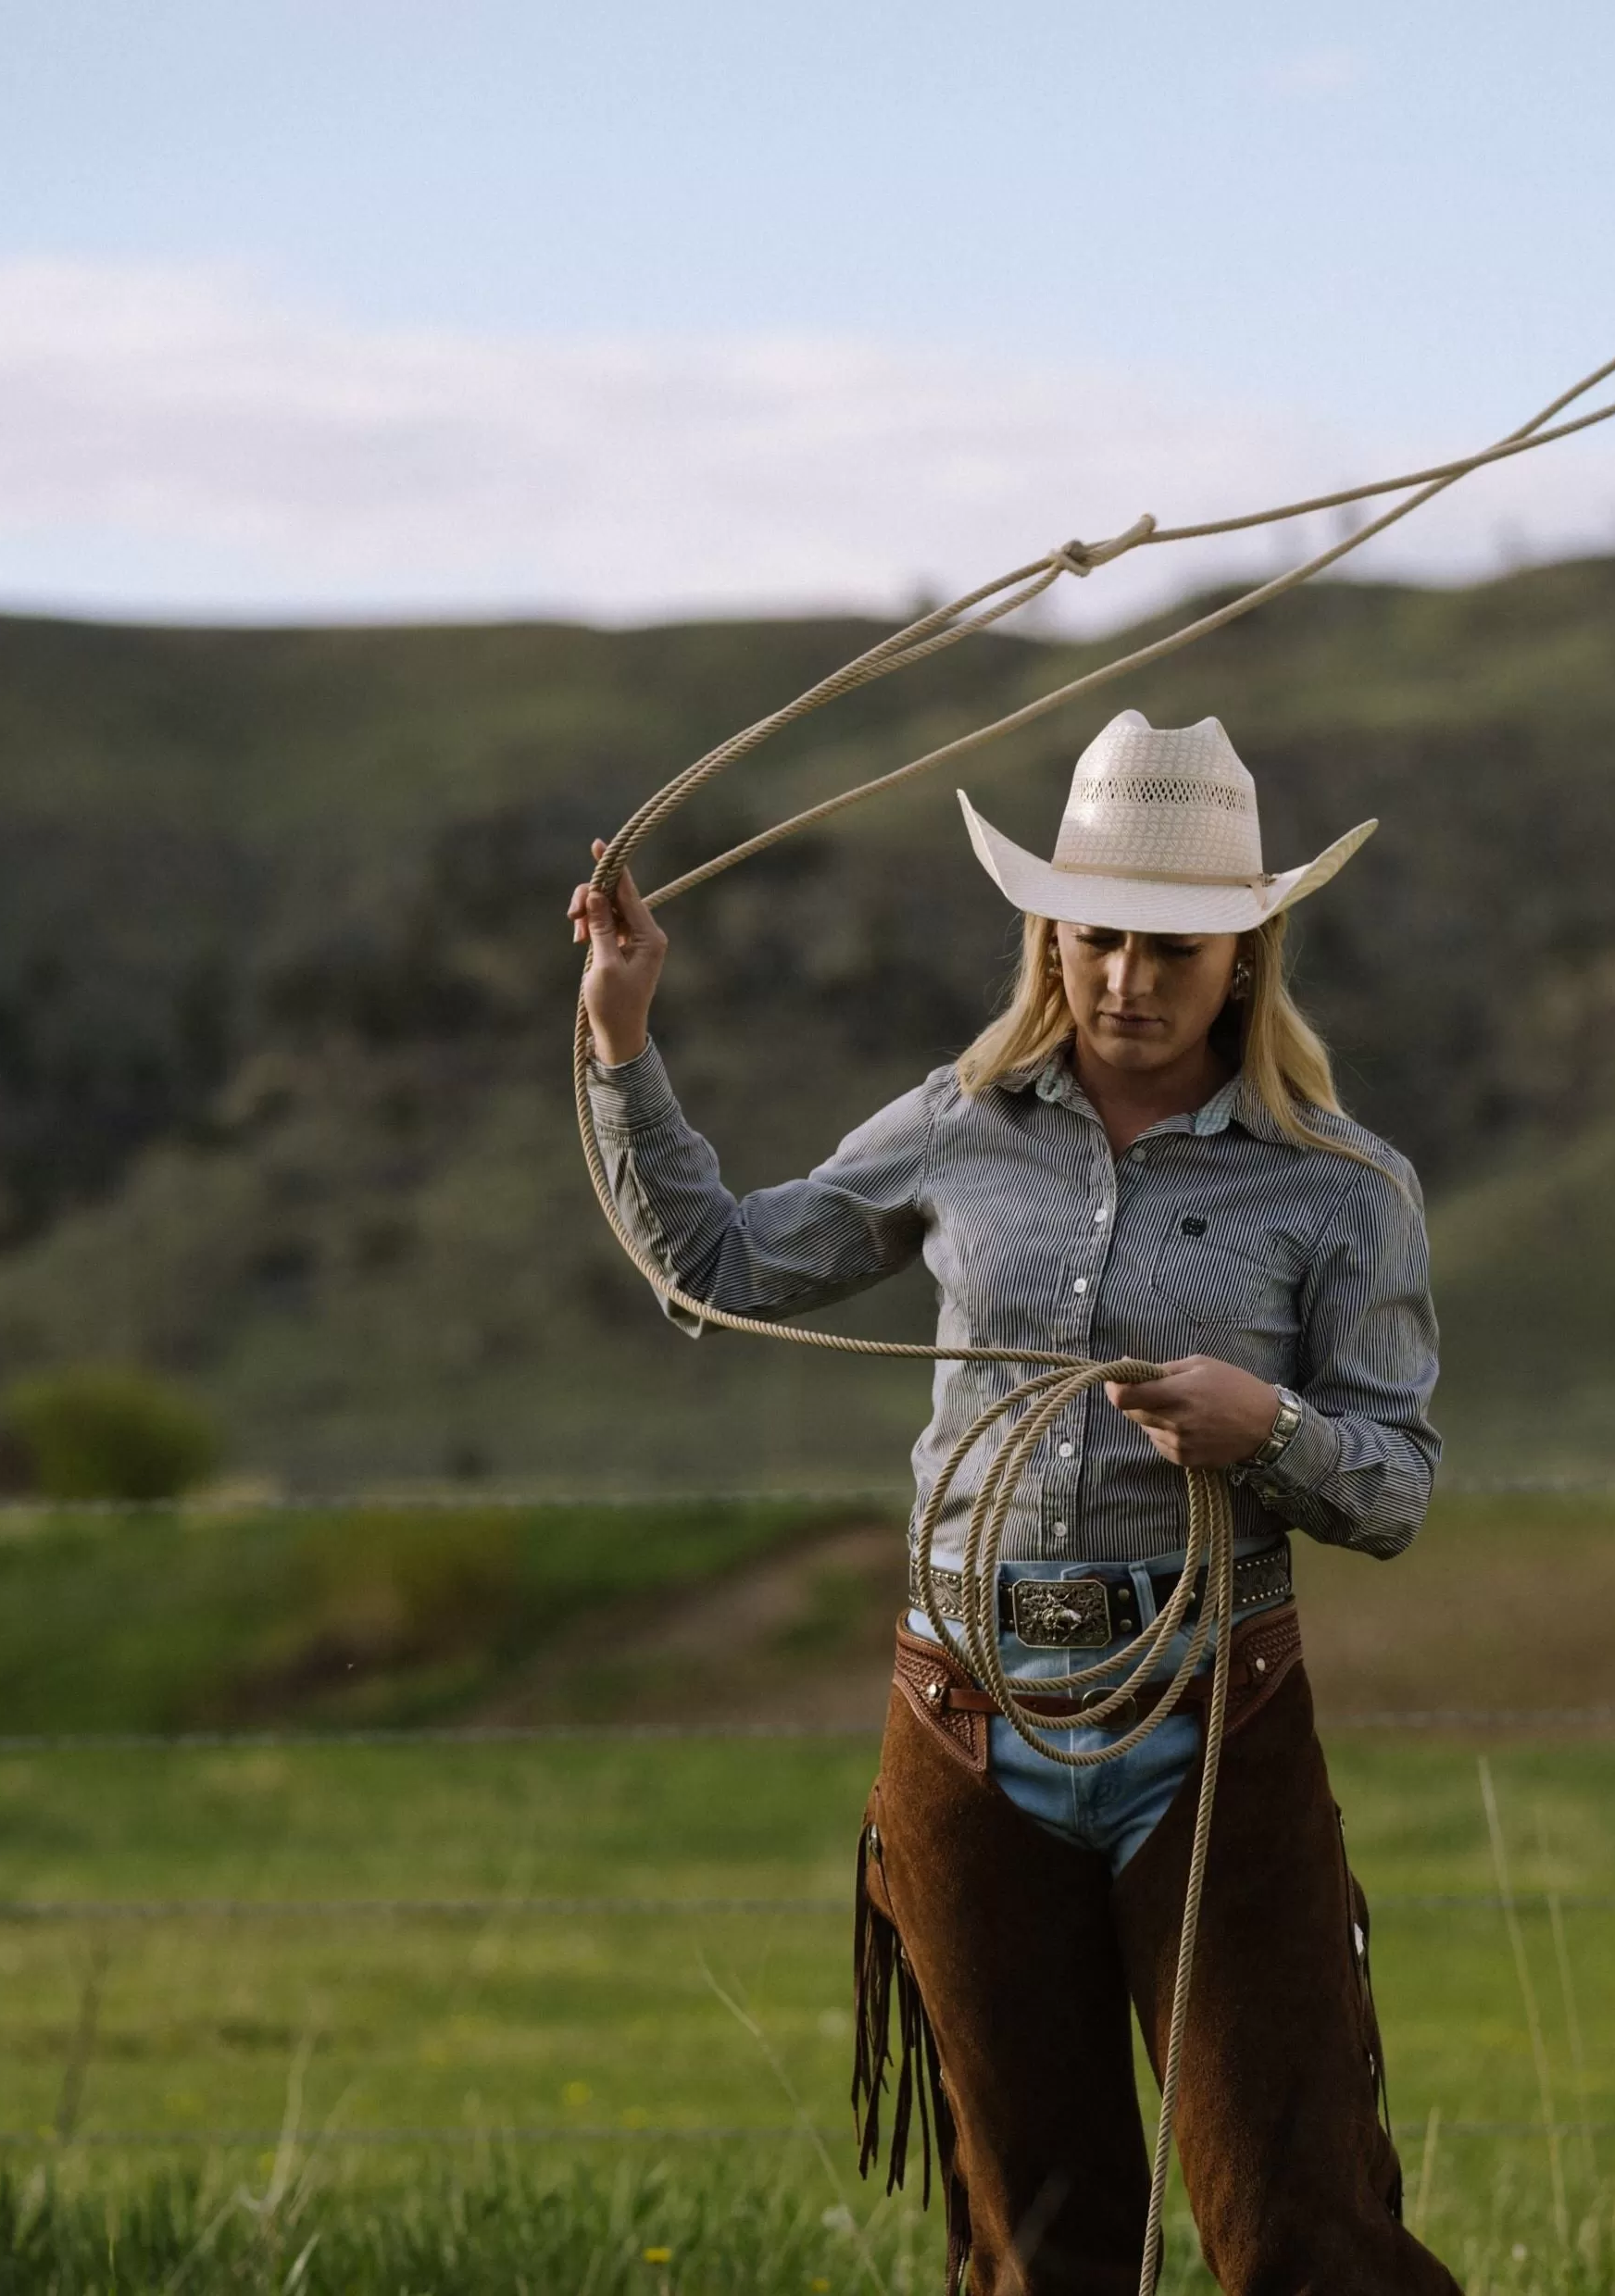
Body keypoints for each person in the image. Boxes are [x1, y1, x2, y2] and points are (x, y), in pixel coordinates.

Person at [570, 709, 1459, 2295]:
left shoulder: (1341, 1187)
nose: (1126, 978)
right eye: (1096, 936)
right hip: (966, 1725)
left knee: (1303, 2232)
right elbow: (714, 1269)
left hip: (1209, 1727)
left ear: (1244, 961)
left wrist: (1266, 1430)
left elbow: (1393, 1487)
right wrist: (625, 1040)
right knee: (1035, 2247)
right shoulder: (955, 1125)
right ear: (1048, 936)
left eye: (1172, 949)